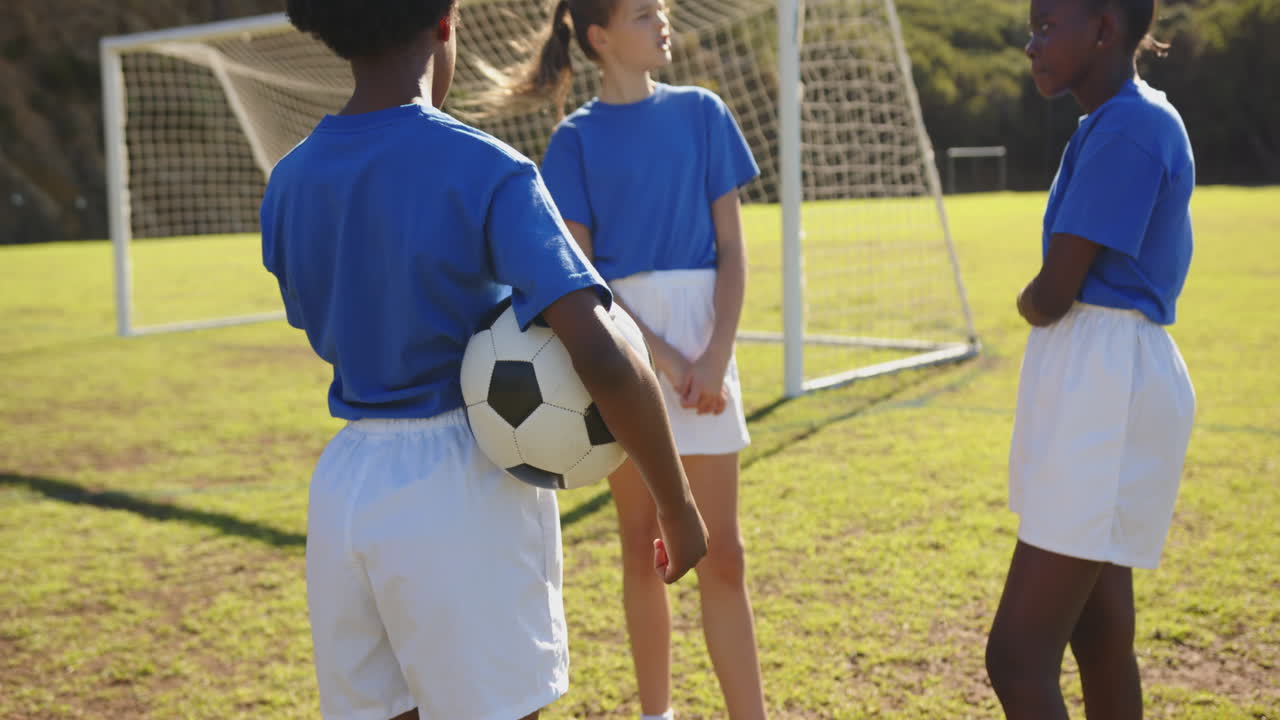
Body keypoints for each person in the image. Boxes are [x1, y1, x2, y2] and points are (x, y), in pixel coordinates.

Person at [262, 2, 708, 718]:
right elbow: (598, 347)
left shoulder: (289, 179)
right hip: (462, 485)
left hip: (346, 487)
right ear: (445, 25)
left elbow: (314, 318)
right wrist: (677, 504)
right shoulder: (486, 168)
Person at [494, 0, 766, 717]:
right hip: (628, 353)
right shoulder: (573, 142)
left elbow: (733, 251)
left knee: (723, 551)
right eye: (644, 13)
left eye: (662, 10)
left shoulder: (704, 113)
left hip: (709, 349)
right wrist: (668, 360)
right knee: (645, 542)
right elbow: (586, 277)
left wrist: (713, 357)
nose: (663, 21)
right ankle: (657, 713)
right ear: (599, 38)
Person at [985, 1, 1196, 717]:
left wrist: (1028, 302)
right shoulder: (1115, 121)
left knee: (1016, 658)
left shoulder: (1132, 127)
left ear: (1105, 29)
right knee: (1100, 639)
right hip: (1101, 375)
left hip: (1106, 380)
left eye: (1048, 26)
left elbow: (1054, 291)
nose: (1030, 43)